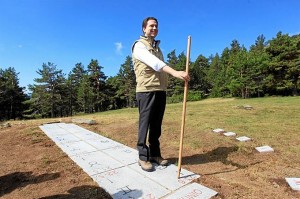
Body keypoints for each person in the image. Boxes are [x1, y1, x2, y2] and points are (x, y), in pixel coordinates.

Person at [132, 17, 190, 172]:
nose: (154, 28)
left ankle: (155, 155)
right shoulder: (139, 46)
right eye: (151, 26)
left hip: (160, 90)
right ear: (144, 28)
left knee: (156, 126)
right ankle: (143, 157)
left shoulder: (158, 49)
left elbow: (159, 65)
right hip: (146, 91)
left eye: (156, 26)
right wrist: (175, 73)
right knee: (145, 125)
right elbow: (156, 64)